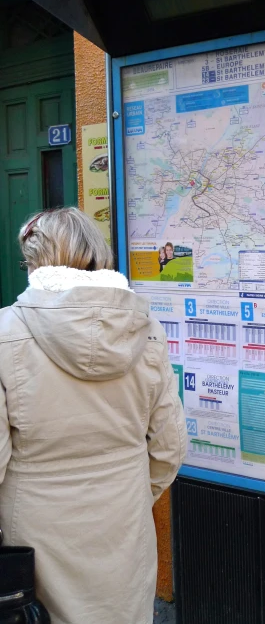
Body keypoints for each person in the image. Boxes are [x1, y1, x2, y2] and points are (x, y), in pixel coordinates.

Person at [0, 208, 187, 624]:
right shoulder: (146, 330)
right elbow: (170, 446)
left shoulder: (5, 334)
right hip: (123, 527)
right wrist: (133, 492)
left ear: (35, 262)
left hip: (35, 534)